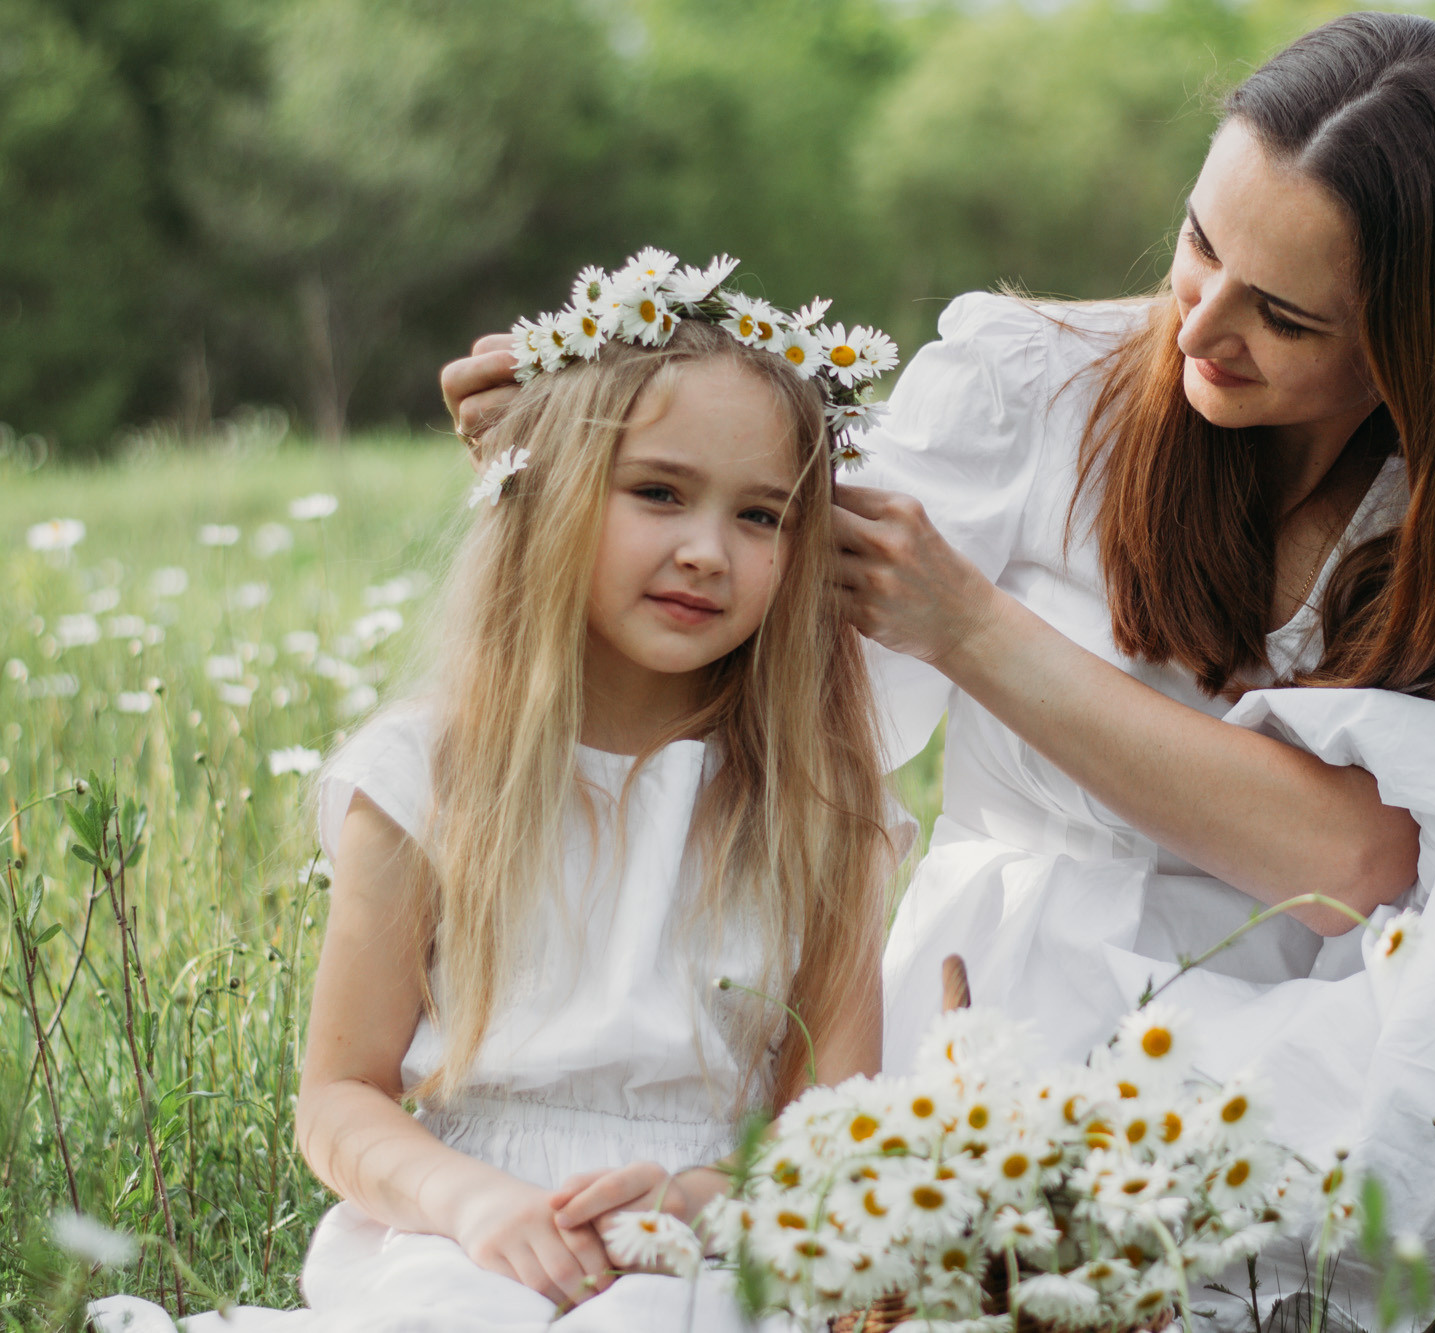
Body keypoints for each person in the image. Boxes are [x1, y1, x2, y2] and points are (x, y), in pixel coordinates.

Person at [445, 16, 1435, 1328]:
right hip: (1077, 1068)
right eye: (1201, 246)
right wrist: (577, 477)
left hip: (1362, 986)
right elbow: (749, 702)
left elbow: (1362, 869)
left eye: (1287, 313)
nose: (1201, 324)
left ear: (1421, 350)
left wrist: (981, 628)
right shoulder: (1022, 390)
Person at [95, 256, 899, 1333]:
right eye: (658, 491)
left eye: (761, 516)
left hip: (707, 1243)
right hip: (465, 1235)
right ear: (552, 494)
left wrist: (702, 1201)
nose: (706, 551)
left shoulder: (819, 815)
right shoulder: (431, 775)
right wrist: (469, 1201)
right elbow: (339, 1098)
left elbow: (830, 1136)